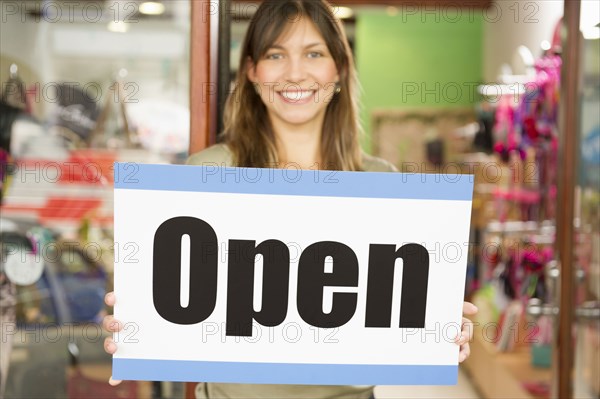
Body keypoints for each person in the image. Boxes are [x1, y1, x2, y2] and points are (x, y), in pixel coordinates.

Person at [103, 1, 478, 398]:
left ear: (340, 69)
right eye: (275, 55)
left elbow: (400, 317)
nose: (295, 73)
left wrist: (440, 326)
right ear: (251, 70)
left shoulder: (381, 183)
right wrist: (134, 326)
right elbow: (174, 306)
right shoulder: (208, 174)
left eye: (313, 54)